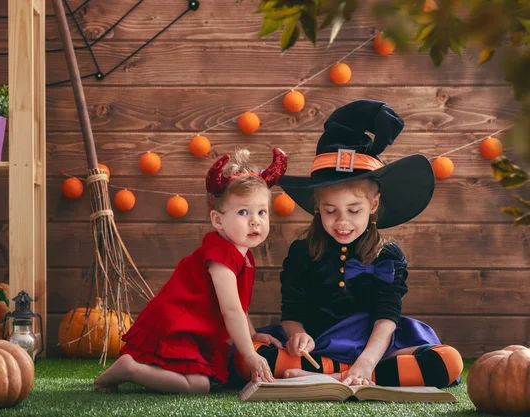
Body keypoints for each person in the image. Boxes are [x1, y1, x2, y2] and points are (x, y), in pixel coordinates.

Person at [231, 100, 463, 388]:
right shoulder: (302, 252)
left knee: (449, 361)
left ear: (373, 204)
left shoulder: (388, 255)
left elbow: (387, 318)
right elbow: (292, 311)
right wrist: (296, 335)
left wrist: (367, 361)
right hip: (319, 347)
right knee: (246, 358)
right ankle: (340, 374)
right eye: (331, 211)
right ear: (317, 206)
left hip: (376, 348)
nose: (342, 222)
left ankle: (336, 378)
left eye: (354, 211)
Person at [93, 147, 287, 394]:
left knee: (206, 379)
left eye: (262, 212)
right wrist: (249, 353)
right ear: (218, 220)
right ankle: (130, 369)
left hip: (195, 330)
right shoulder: (221, 254)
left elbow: (238, 305)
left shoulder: (242, 254)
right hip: (177, 326)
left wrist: (253, 336)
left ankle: (137, 368)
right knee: (198, 386)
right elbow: (230, 309)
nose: (255, 221)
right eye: (243, 212)